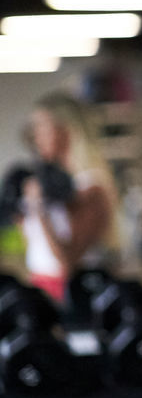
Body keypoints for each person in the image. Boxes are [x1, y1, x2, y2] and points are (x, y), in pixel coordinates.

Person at [15, 92, 118, 303]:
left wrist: (38, 209)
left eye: (43, 127)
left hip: (72, 293)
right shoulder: (45, 185)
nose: (37, 137)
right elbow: (36, 249)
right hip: (40, 285)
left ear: (68, 130)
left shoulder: (91, 186)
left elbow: (66, 261)